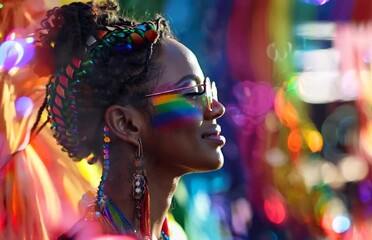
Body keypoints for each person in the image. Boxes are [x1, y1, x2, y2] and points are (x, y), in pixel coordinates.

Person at [31, 0, 226, 239]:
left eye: (209, 91)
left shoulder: (174, 233)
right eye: (192, 92)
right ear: (126, 123)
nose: (217, 108)